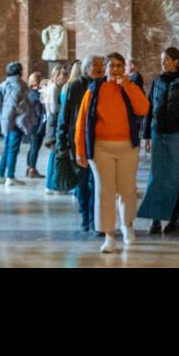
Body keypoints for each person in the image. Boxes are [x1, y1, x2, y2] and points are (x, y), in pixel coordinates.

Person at [75, 52, 150, 253]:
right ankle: (109, 235)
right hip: (101, 149)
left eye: (119, 65)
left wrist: (127, 85)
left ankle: (127, 226)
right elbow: (81, 122)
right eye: (112, 65)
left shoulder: (129, 87)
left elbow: (143, 109)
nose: (115, 69)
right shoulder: (93, 90)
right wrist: (80, 151)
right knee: (104, 192)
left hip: (127, 147)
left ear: (124, 68)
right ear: (105, 68)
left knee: (127, 190)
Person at [138, 47, 179, 235]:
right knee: (156, 178)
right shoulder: (157, 81)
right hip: (158, 134)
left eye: (166, 60)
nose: (163, 63)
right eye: (161, 60)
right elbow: (149, 110)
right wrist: (146, 135)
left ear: (175, 61)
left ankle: (173, 219)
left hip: (177, 135)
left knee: (175, 178)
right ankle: (155, 219)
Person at [57, 54, 102, 234]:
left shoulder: (103, 86)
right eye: (96, 65)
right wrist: (61, 143)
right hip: (79, 142)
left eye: (101, 65)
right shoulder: (73, 87)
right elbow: (64, 118)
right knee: (83, 183)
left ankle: (94, 220)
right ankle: (86, 217)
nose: (100, 68)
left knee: (96, 183)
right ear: (86, 68)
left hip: (99, 142)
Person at [0, 61, 32, 185]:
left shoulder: (3, 84)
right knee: (13, 150)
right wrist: (24, 124)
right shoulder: (19, 86)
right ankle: (10, 177)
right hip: (15, 122)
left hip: (7, 121)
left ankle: (0, 175)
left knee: (7, 149)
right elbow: (16, 107)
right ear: (20, 72)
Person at [45, 61, 77, 194]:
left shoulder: (58, 87)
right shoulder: (54, 88)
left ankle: (54, 184)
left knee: (56, 155)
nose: (66, 79)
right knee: (55, 155)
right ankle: (53, 184)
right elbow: (53, 108)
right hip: (53, 124)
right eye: (65, 76)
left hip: (55, 122)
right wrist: (66, 107)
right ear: (59, 76)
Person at [24, 71, 47, 178]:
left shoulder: (28, 93)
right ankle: (32, 169)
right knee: (35, 148)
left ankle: (29, 168)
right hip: (36, 125)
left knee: (32, 147)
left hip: (29, 124)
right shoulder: (37, 95)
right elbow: (39, 112)